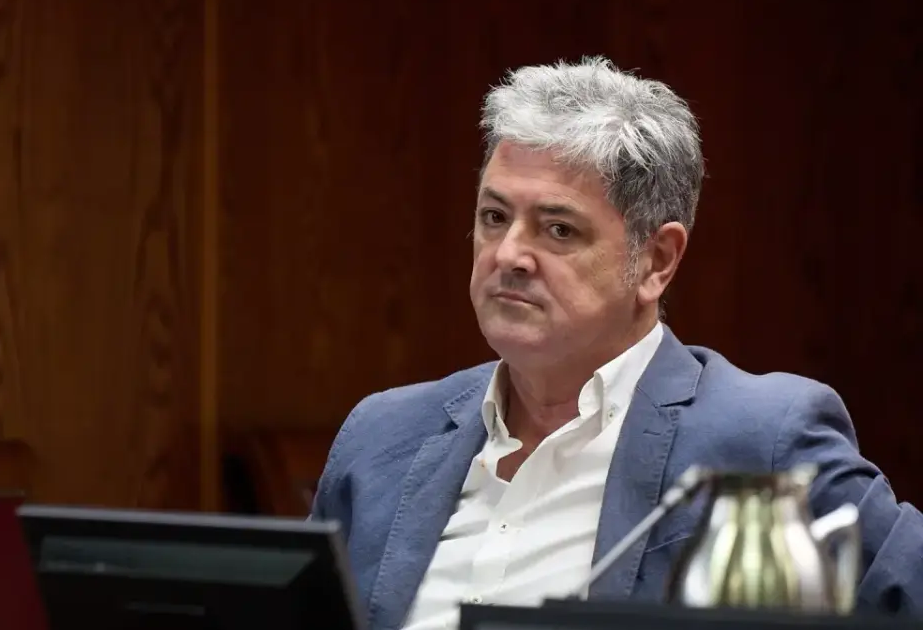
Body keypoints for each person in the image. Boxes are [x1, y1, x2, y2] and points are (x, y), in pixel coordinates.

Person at [309, 57, 923, 630]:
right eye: (494, 217)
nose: (509, 254)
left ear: (656, 261)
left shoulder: (761, 439)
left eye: (558, 229)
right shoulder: (383, 436)